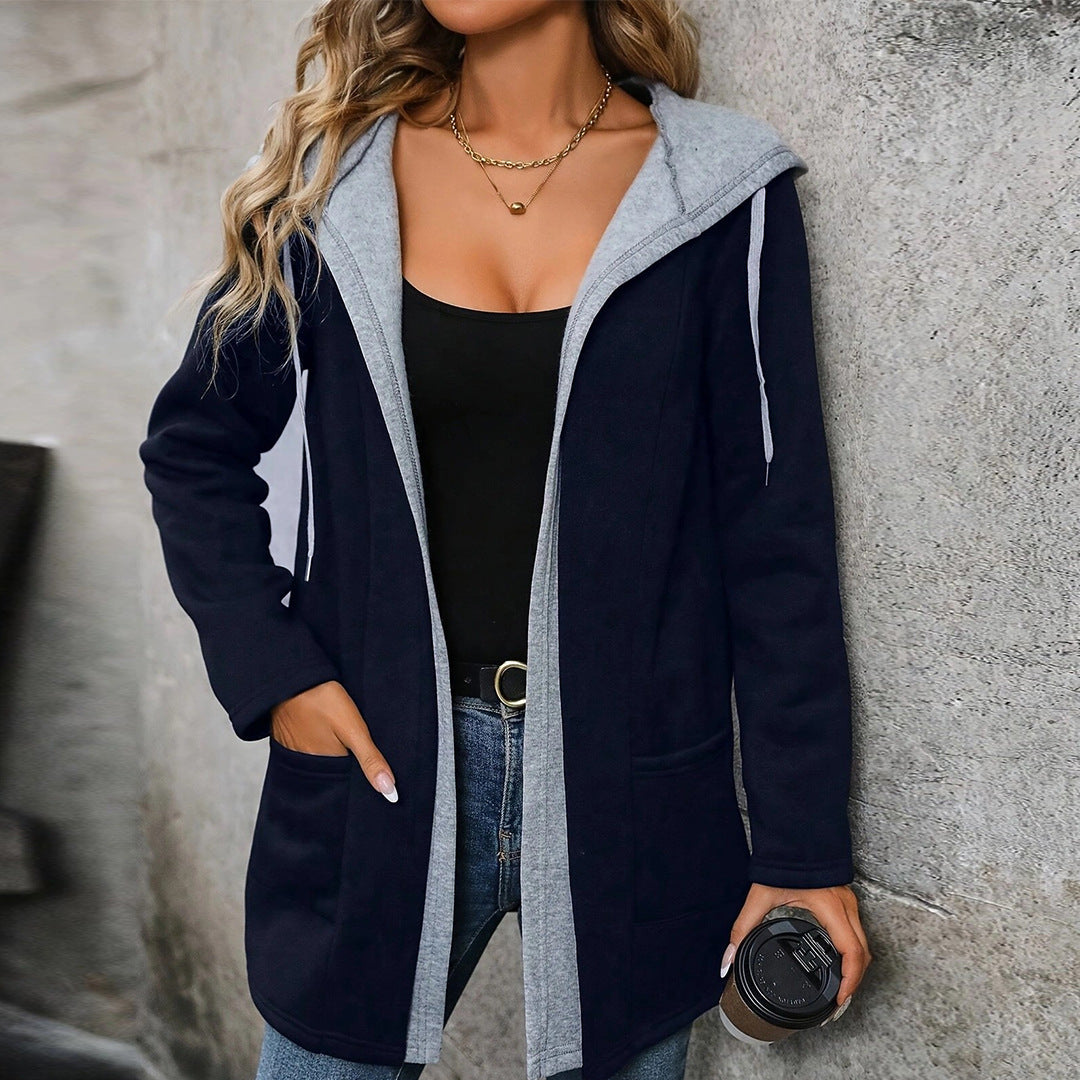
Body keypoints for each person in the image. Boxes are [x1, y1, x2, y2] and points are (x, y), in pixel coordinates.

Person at [138, 2, 872, 1079]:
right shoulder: (332, 182)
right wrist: (276, 672)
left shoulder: (721, 194)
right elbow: (193, 448)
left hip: (634, 789)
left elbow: (777, 538)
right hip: (383, 769)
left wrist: (803, 849)